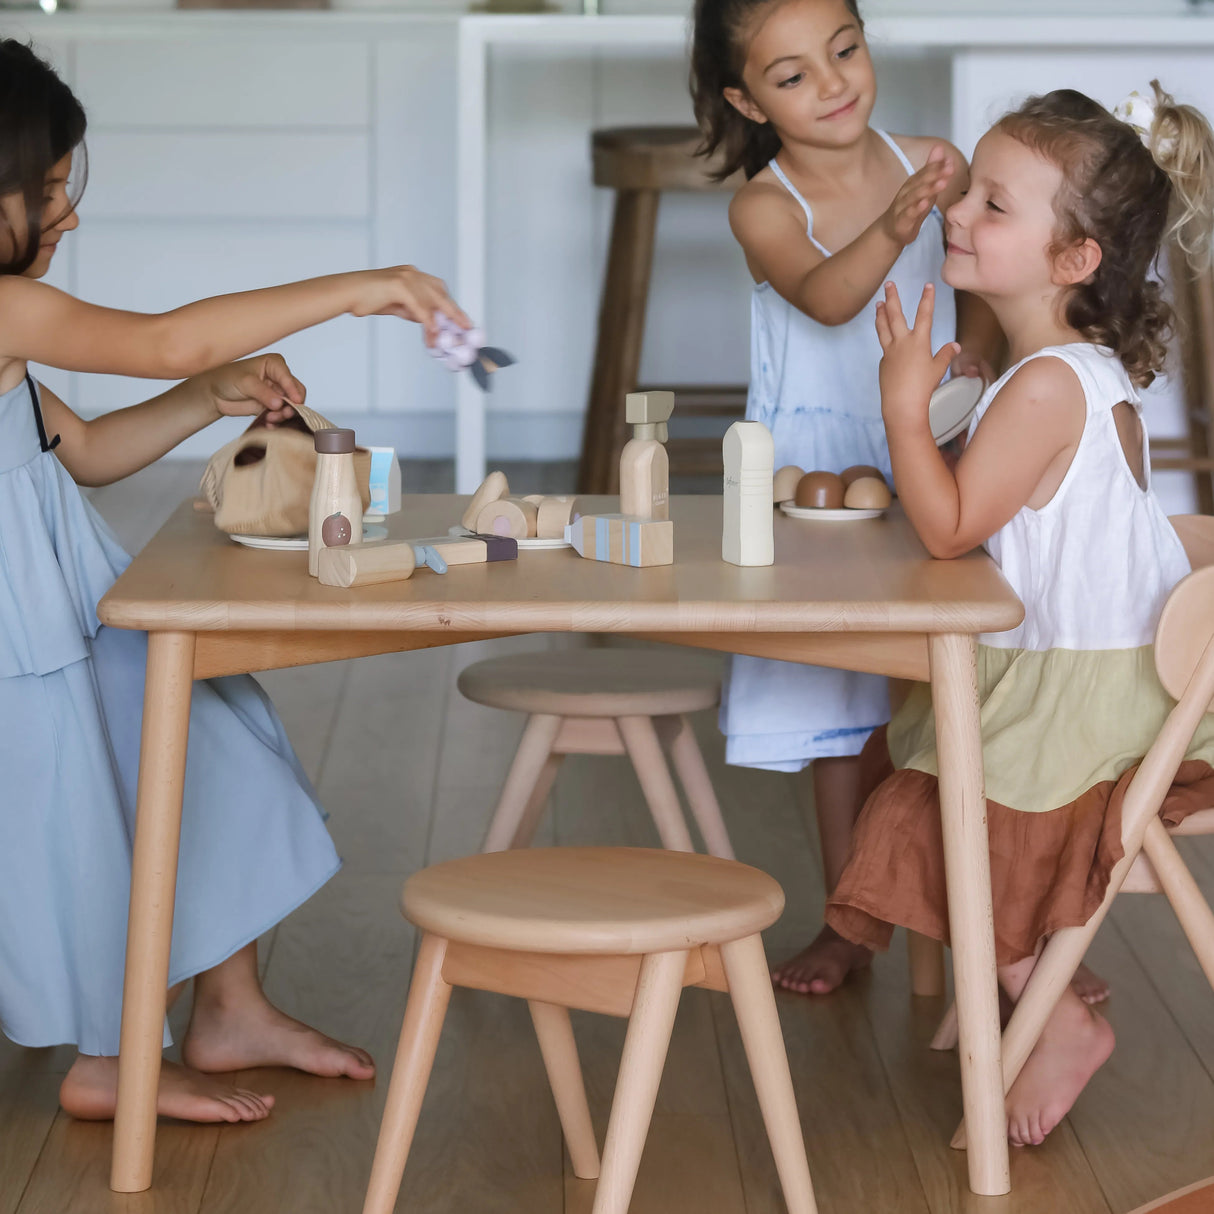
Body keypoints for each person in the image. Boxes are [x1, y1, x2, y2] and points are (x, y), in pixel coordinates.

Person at [0, 38, 470, 1124]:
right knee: (70, 832)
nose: (69, 212)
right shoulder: (5, 308)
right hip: (21, 636)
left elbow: (84, 450)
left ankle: (229, 1006)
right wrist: (364, 286)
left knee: (208, 728)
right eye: (52, 187)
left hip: (68, 605)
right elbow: (170, 336)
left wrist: (207, 395)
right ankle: (110, 1058)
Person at [826, 81, 1214, 1145]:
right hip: (1099, 672)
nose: (958, 211)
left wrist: (901, 410)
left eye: (993, 204)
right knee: (902, 759)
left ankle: (1050, 1020)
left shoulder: (1045, 387)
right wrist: (947, 413)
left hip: (1093, 700)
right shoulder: (1055, 373)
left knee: (923, 810)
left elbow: (947, 528)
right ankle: (1034, 979)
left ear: (1071, 259)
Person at [689, 0, 1007, 995]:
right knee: (839, 709)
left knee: (941, 697)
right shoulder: (762, 204)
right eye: (792, 76)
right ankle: (849, 919)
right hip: (811, 473)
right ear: (745, 99)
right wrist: (899, 219)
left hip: (925, 444)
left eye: (843, 50)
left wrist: (969, 381)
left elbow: (980, 304)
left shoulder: (929, 158)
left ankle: (990, 935)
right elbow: (826, 295)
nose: (832, 84)